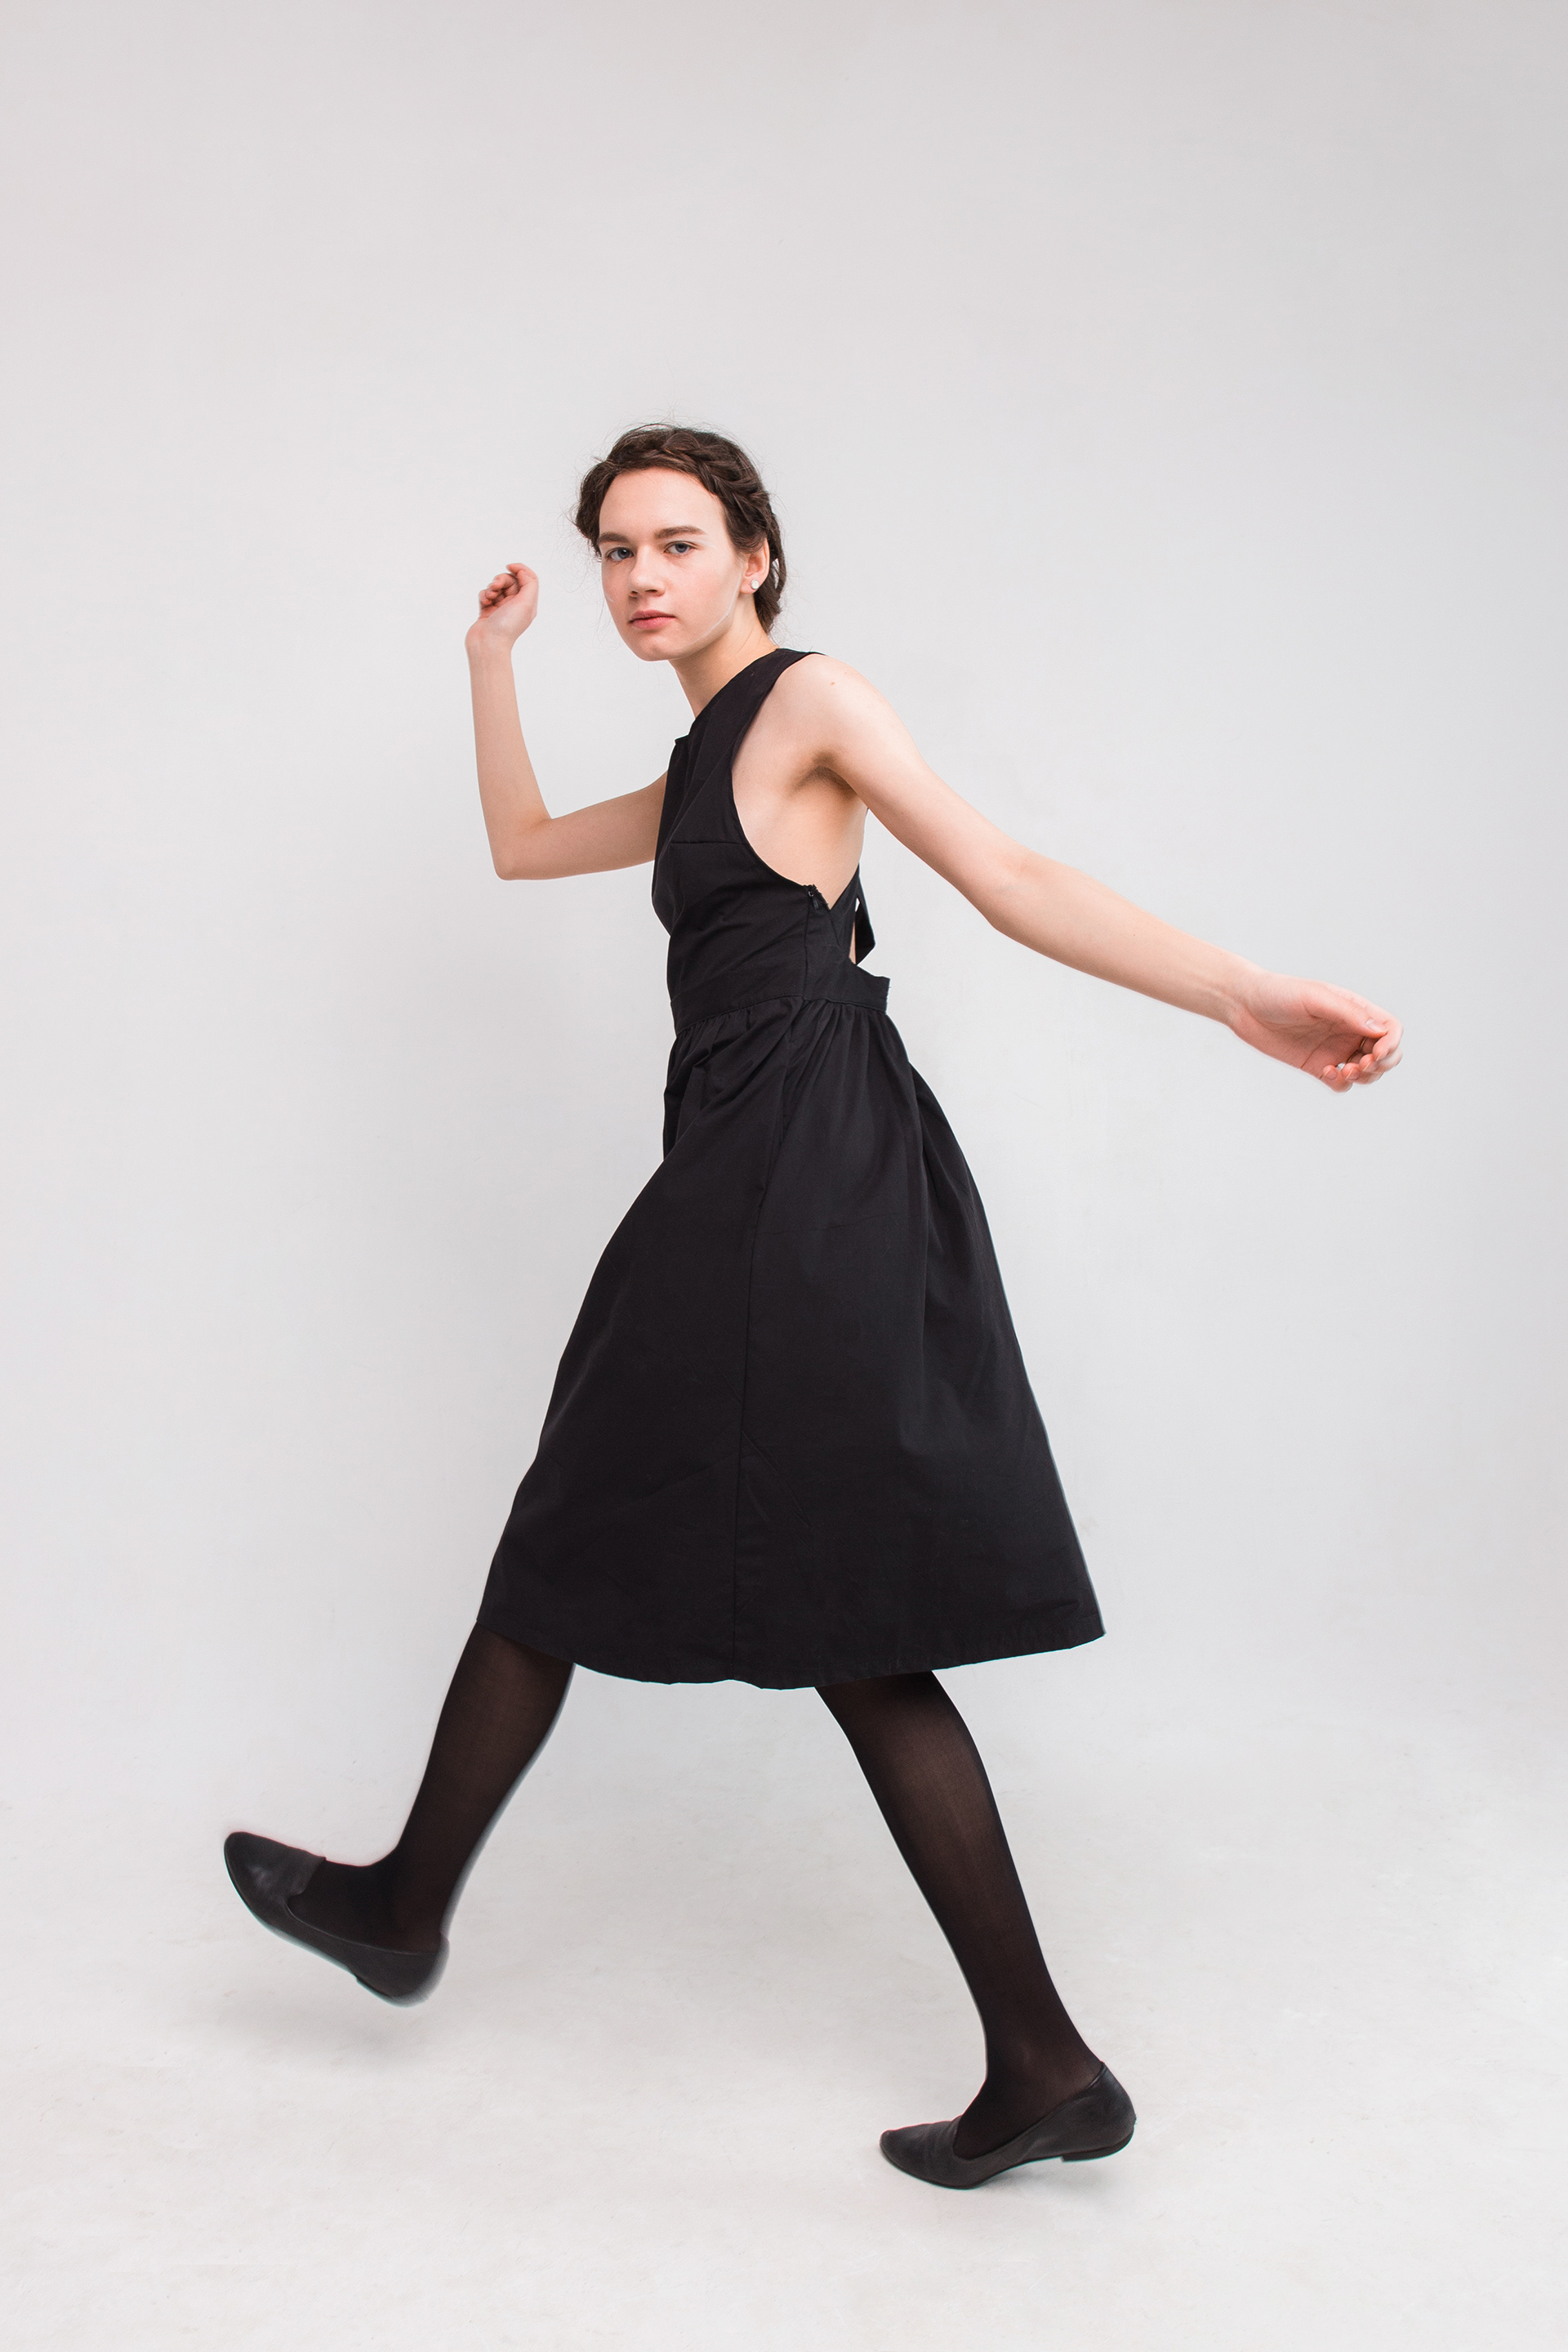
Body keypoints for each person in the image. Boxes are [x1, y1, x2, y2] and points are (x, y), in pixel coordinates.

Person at [225, 424, 1401, 2190]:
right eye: (618, 550)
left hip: (801, 1174)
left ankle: (410, 1907)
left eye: (678, 543)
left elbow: (1009, 876)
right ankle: (1040, 2063)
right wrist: (488, 659)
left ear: (755, 555)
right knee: (813, 1602)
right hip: (752, 1172)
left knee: (618, 1526)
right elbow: (522, 844)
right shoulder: (705, 753)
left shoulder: (809, 705)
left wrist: (1242, 995)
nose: (642, 577)